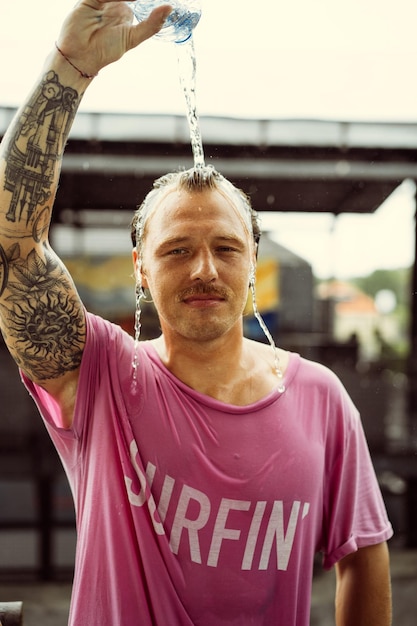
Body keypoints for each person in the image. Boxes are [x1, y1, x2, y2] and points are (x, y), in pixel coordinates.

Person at [0, 2, 393, 625]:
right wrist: (68, 70)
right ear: (141, 267)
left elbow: (364, 559)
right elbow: (11, 247)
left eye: (226, 248)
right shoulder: (100, 376)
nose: (204, 270)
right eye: (177, 250)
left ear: (253, 261)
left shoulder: (322, 398)